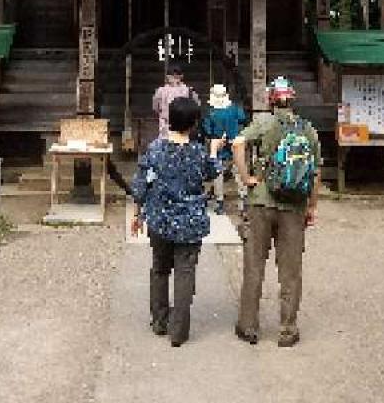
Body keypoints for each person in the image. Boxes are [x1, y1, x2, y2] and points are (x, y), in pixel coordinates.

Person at [232, 78, 320, 347]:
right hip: (294, 206)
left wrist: (247, 177)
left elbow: (237, 144)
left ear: (271, 100)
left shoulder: (264, 124)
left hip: (261, 202)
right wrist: (312, 206)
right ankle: (287, 329)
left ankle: (248, 326)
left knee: (254, 265)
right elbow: (315, 173)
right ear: (292, 100)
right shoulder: (309, 130)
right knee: (291, 270)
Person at [130, 96, 221, 347]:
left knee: (159, 269)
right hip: (190, 222)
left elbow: (141, 184)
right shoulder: (198, 152)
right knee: (185, 273)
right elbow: (213, 172)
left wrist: (137, 214)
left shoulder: (155, 149)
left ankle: (159, 321)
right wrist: (214, 149)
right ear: (193, 123)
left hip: (160, 219)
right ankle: (179, 331)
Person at [201, 83, 247, 214]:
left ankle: (220, 202)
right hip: (235, 143)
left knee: (218, 174)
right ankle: (243, 201)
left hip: (218, 144)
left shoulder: (211, 112)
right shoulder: (235, 108)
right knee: (239, 171)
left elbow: (207, 129)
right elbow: (243, 120)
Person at [152, 63, 199, 139]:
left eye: (176, 76)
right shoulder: (189, 91)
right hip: (178, 128)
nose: (174, 78)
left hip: (170, 128)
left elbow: (156, 108)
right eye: (173, 76)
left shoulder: (189, 91)